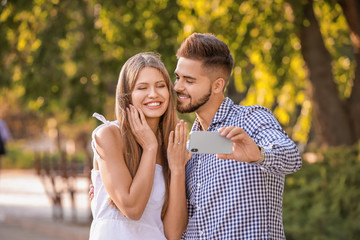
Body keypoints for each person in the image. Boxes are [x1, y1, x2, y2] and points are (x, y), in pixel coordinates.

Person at [173, 33, 302, 239]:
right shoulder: (192, 145)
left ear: (217, 85)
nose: (178, 87)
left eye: (189, 80)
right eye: (178, 77)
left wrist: (258, 155)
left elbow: (291, 157)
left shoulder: (250, 119)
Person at [89, 52, 190, 240]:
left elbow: (173, 233)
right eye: (142, 87)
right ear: (127, 95)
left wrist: (177, 170)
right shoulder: (108, 135)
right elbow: (132, 208)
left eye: (160, 86)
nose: (153, 94)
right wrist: (150, 148)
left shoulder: (172, 146)